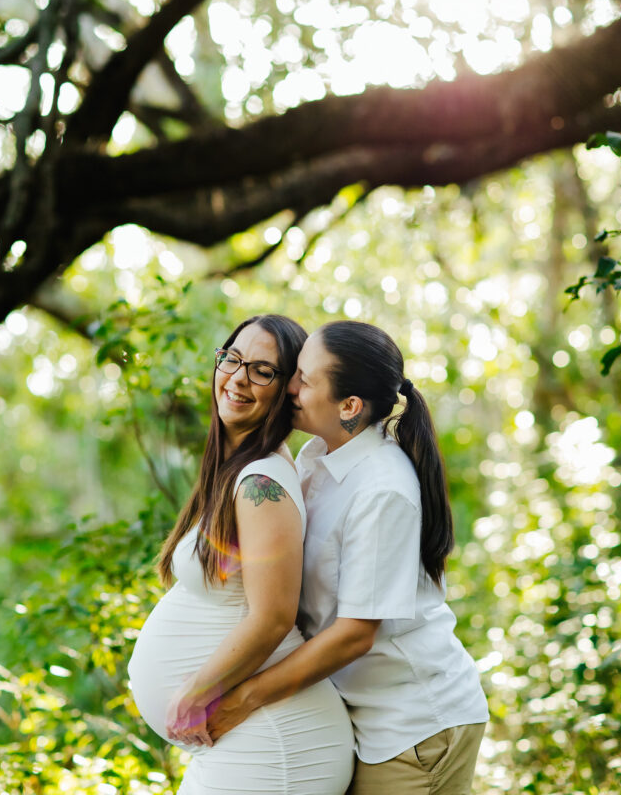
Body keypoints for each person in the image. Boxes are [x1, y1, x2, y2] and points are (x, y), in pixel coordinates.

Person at [207, 320, 489, 795]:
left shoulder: (383, 488)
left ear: (350, 406)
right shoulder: (317, 453)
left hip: (413, 728)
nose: (289, 386)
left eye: (304, 379)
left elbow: (355, 634)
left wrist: (244, 699)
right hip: (360, 719)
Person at [128, 314, 354, 795]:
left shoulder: (260, 484)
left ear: (286, 389)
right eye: (232, 359)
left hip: (278, 744)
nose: (238, 378)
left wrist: (196, 694)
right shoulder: (237, 472)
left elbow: (274, 617)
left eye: (262, 370)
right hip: (249, 740)